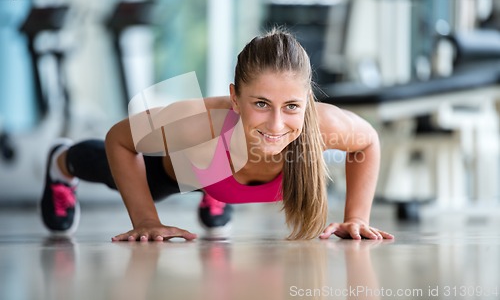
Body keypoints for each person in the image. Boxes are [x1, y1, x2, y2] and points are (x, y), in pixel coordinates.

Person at [40, 28, 394, 241]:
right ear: (235, 98)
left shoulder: (323, 125)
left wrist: (357, 218)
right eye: (260, 103)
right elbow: (119, 138)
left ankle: (218, 195)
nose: (275, 125)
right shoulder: (201, 123)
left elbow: (367, 142)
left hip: (221, 170)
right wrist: (146, 220)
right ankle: (60, 161)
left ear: (307, 100)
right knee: (115, 173)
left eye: (291, 106)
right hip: (185, 169)